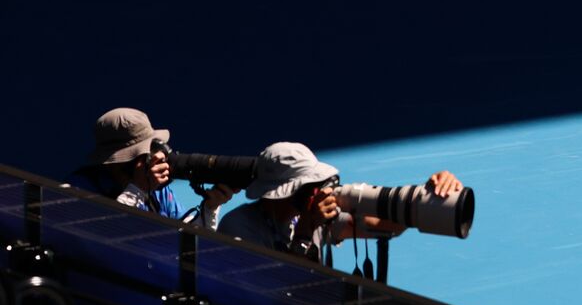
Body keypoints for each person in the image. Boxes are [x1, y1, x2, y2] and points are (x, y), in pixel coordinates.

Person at [217, 141, 463, 262]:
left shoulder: (313, 215)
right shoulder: (237, 227)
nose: (317, 191)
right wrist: (305, 232)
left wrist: (427, 196)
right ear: (279, 192)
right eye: (307, 186)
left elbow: (385, 226)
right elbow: (269, 296)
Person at [69, 107, 233, 228]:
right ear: (118, 162)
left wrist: (211, 208)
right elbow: (101, 238)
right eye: (142, 153)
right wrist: (138, 189)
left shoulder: (158, 190)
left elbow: (186, 243)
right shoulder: (79, 188)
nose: (150, 157)